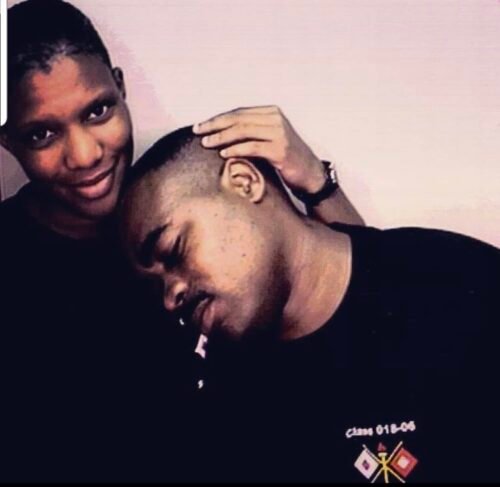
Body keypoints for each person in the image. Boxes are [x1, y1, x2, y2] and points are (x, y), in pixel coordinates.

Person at [0, 0, 362, 481]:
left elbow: (373, 304)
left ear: (121, 88)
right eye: (42, 134)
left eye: (98, 110)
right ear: (8, 141)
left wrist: (315, 182)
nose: (85, 154)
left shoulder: (192, 199)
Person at [121, 126, 500, 482]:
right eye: (155, 286)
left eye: (173, 249)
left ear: (244, 182)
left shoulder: (461, 289)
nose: (170, 297)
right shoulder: (215, 387)